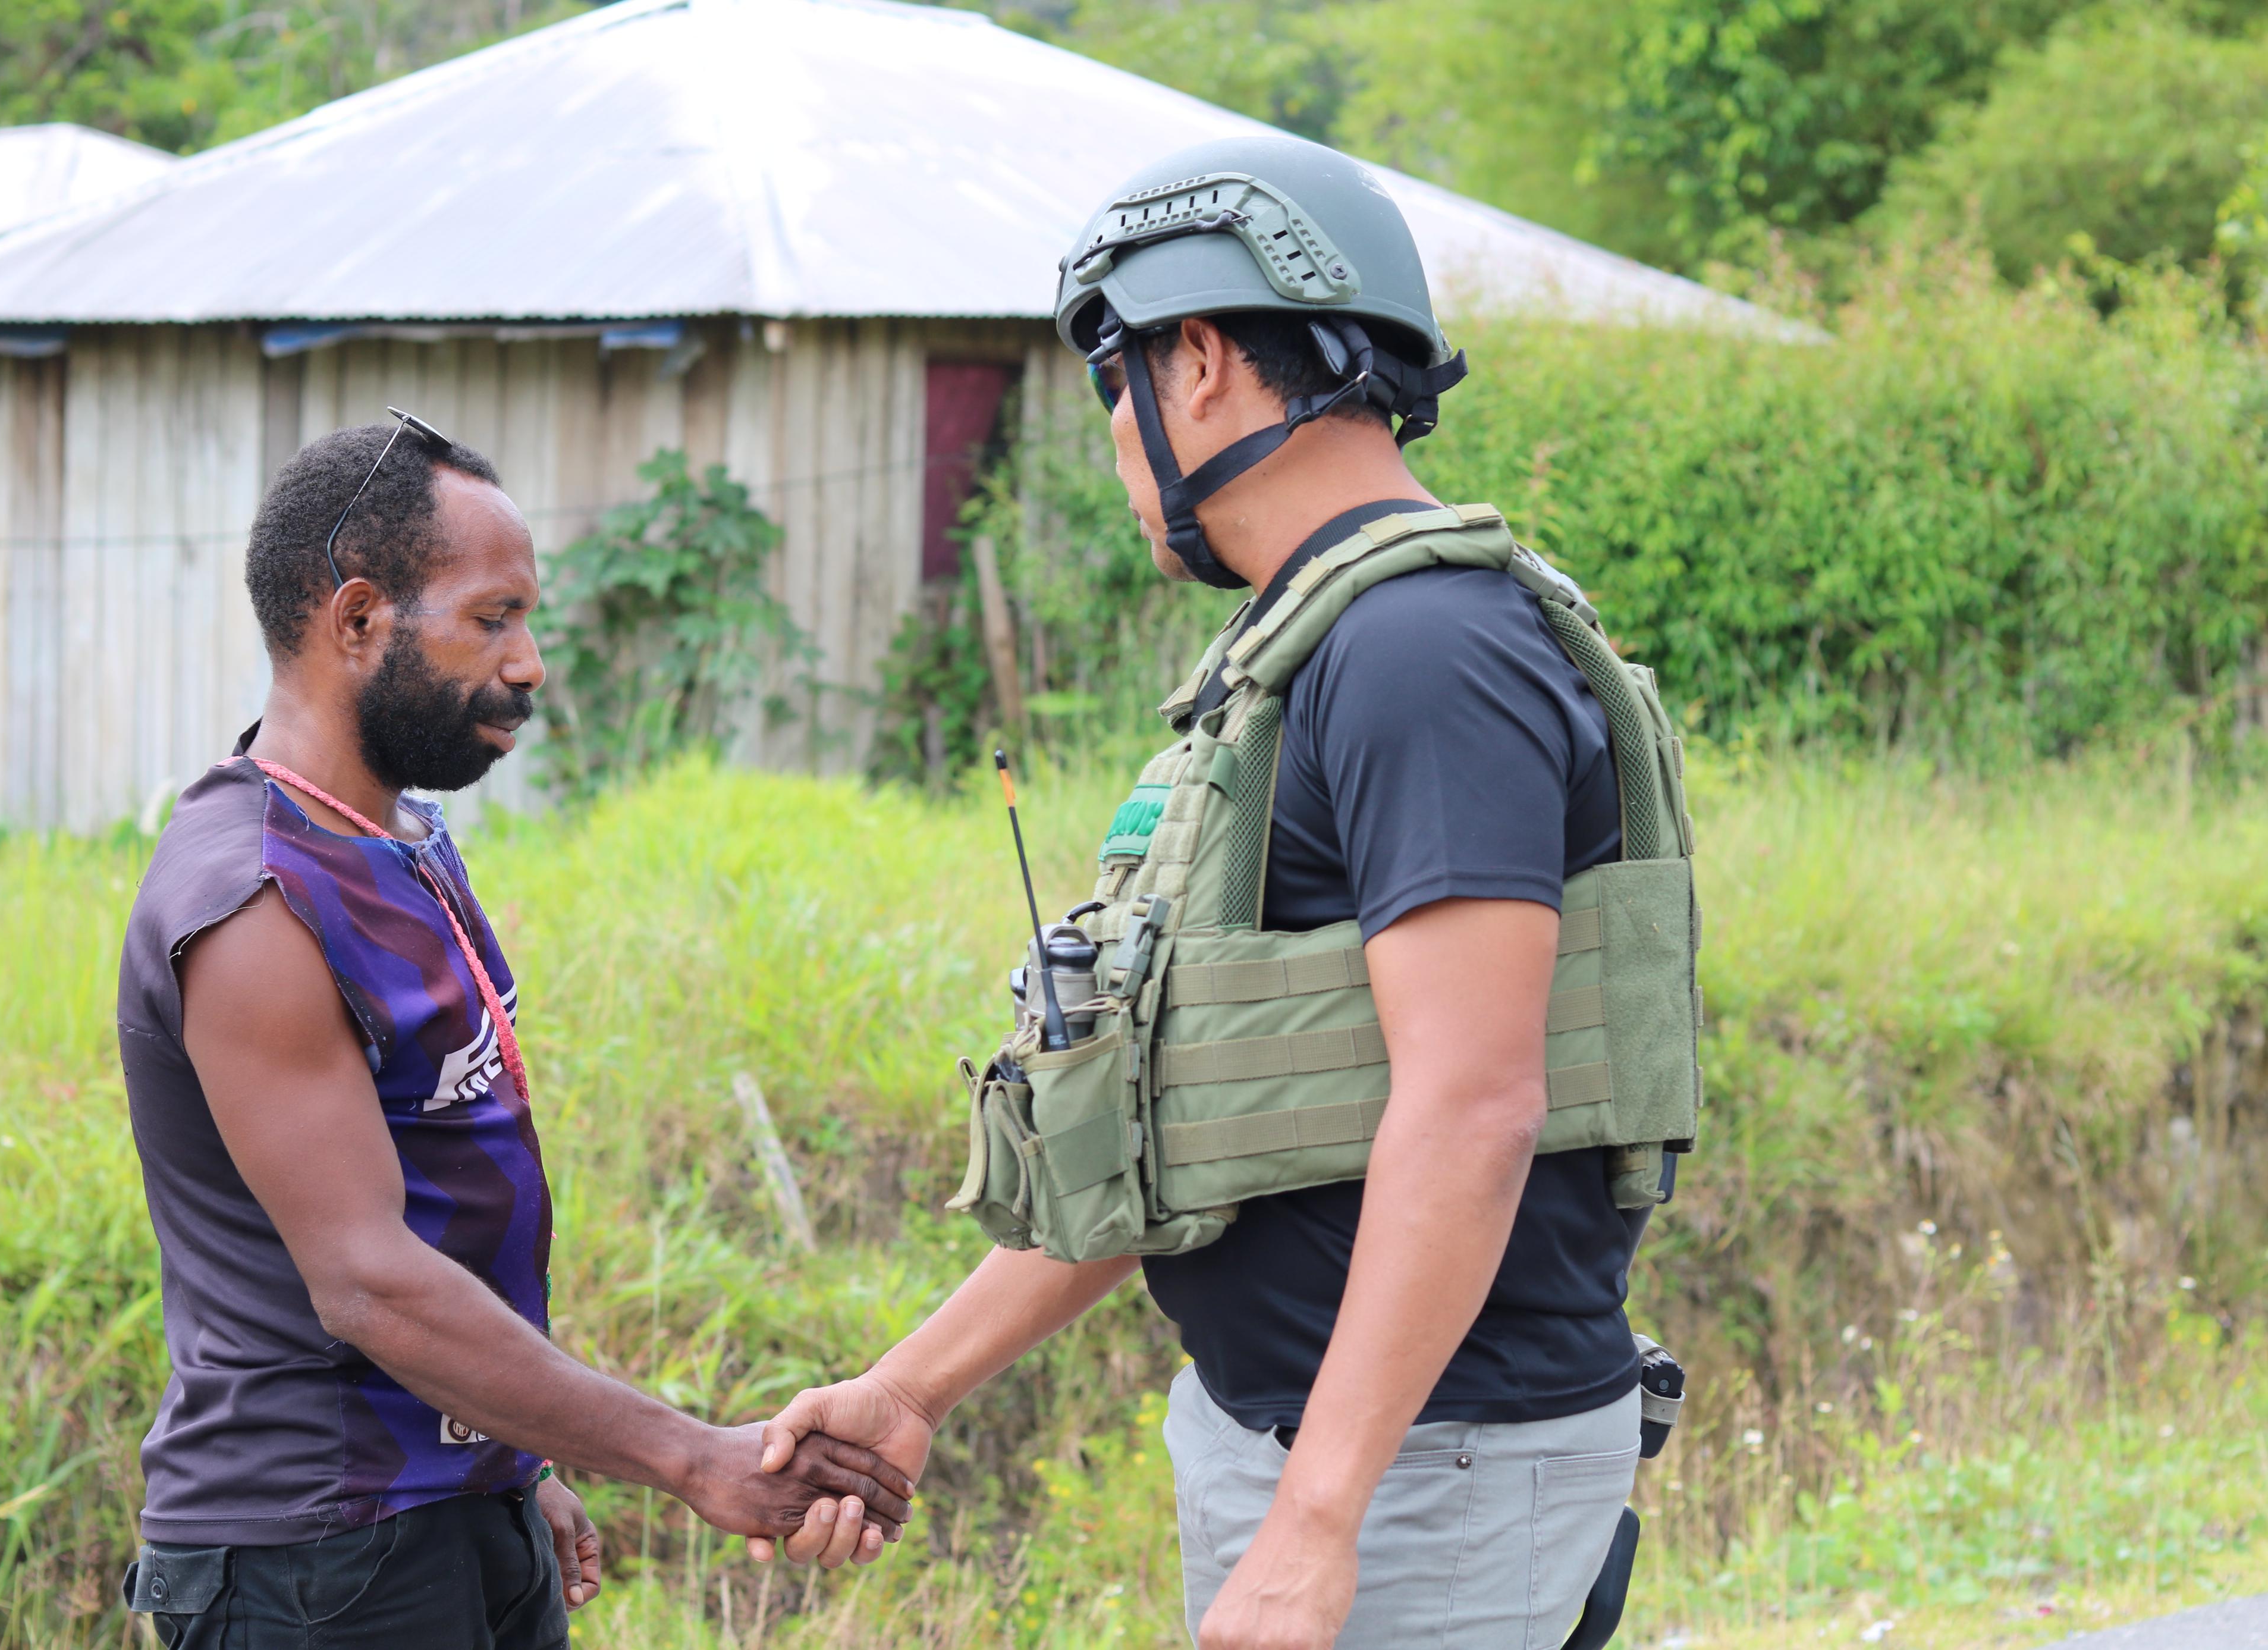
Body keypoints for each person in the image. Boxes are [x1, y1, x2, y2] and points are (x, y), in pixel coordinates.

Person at [755, 136, 1664, 1648]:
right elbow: (1212, 1113)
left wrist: (1320, 1524)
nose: (1113, 437)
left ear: (1194, 363)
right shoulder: (1312, 653)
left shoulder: (1423, 655)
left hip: (1418, 1481)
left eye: (1113, 381)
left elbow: (1474, 1104)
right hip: (1332, 1456)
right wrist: (911, 1387)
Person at [116, 412, 909, 1649]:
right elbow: (371, 1282)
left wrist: (513, 1459)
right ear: (362, 619)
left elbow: (431, 1198)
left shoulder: (398, 836)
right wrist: (692, 1456)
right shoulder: (257, 901)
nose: (531, 661)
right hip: (318, 1557)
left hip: (443, 1507)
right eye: (493, 620)